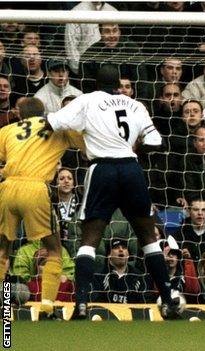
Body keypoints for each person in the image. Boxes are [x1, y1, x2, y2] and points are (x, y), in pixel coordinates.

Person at [45, 65, 180, 320]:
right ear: (119, 84)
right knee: (149, 239)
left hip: (103, 169)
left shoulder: (87, 100)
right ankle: (168, 301)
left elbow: (54, 122)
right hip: (132, 169)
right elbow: (156, 141)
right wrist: (132, 149)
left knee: (89, 239)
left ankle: (82, 304)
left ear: (96, 83)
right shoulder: (135, 105)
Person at [0, 97, 84, 320]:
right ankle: (47, 306)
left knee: (2, 249)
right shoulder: (56, 128)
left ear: (19, 113)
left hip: (7, 188)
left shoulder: (7, 130)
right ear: (44, 111)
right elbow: (85, 144)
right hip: (36, 189)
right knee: (54, 249)